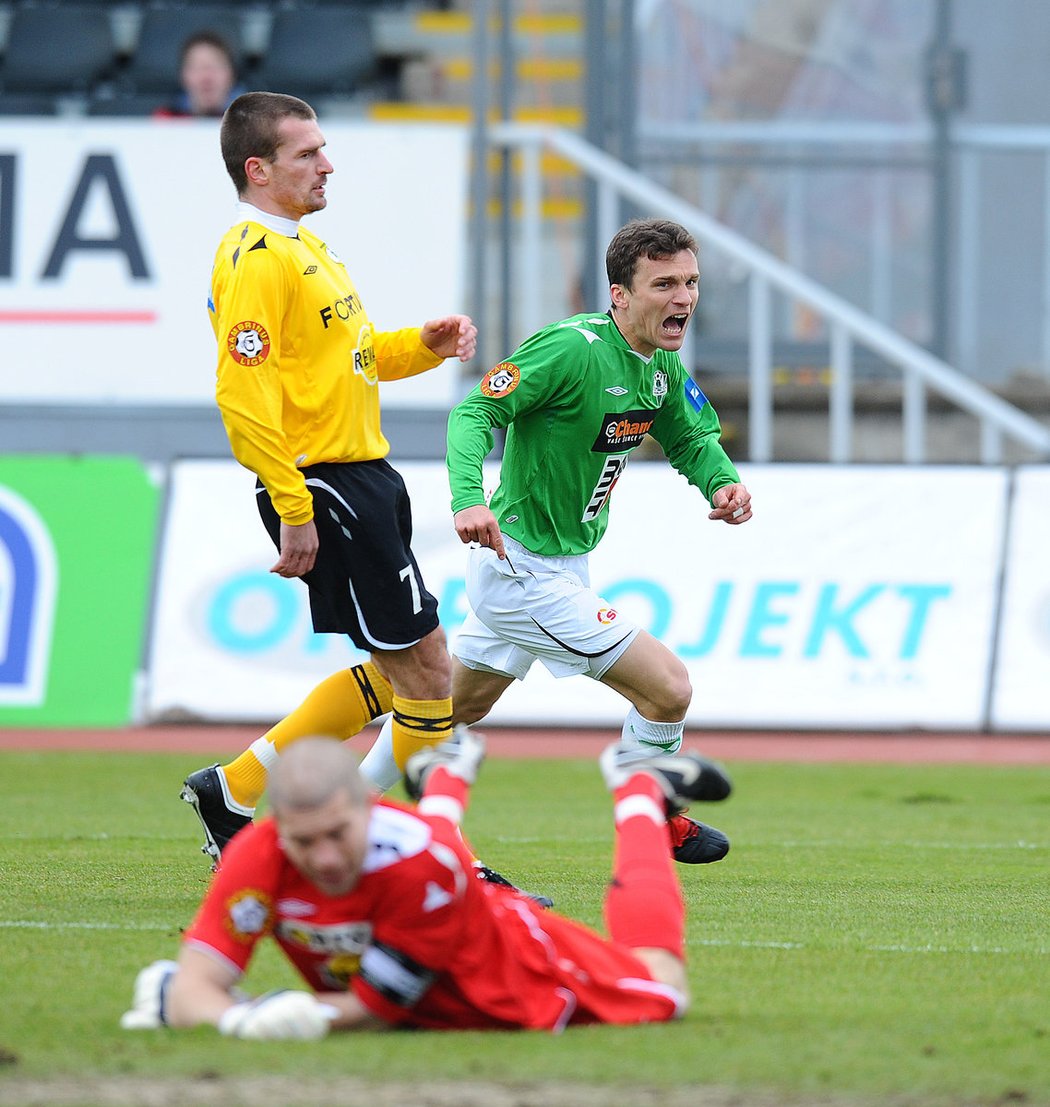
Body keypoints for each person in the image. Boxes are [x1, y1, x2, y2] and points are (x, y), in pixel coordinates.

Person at [358, 218, 750, 865]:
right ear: (620, 295)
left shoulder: (659, 363)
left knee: (450, 705)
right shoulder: (571, 349)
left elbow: (690, 435)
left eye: (691, 283)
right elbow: (476, 410)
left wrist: (723, 484)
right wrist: (467, 498)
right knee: (669, 688)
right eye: (664, 284)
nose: (683, 298)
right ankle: (654, 816)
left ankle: (341, 804)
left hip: (563, 564)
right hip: (521, 568)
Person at [181, 91, 476, 871]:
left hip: (361, 476)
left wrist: (422, 343)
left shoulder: (307, 248)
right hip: (326, 485)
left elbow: (351, 357)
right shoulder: (254, 258)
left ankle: (235, 787)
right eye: (307, 153)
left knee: (398, 667)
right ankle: (425, 853)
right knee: (427, 665)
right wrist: (293, 505)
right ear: (260, 167)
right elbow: (241, 395)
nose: (327, 163)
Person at [122, 729, 727, 1037]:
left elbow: (375, 1012)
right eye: (304, 842)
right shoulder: (258, 852)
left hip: (510, 972)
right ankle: (446, 770)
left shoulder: (422, 861)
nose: (325, 858)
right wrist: (235, 1020)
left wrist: (270, 1014)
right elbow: (195, 985)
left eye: (338, 833)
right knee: (434, 856)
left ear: (371, 807)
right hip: (438, 899)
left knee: (665, 989)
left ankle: (638, 789)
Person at [153, 32, 243, 119]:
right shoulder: (165, 122)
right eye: (197, 68)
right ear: (183, 76)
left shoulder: (250, 122)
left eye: (215, 67)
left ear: (232, 74)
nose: (206, 77)